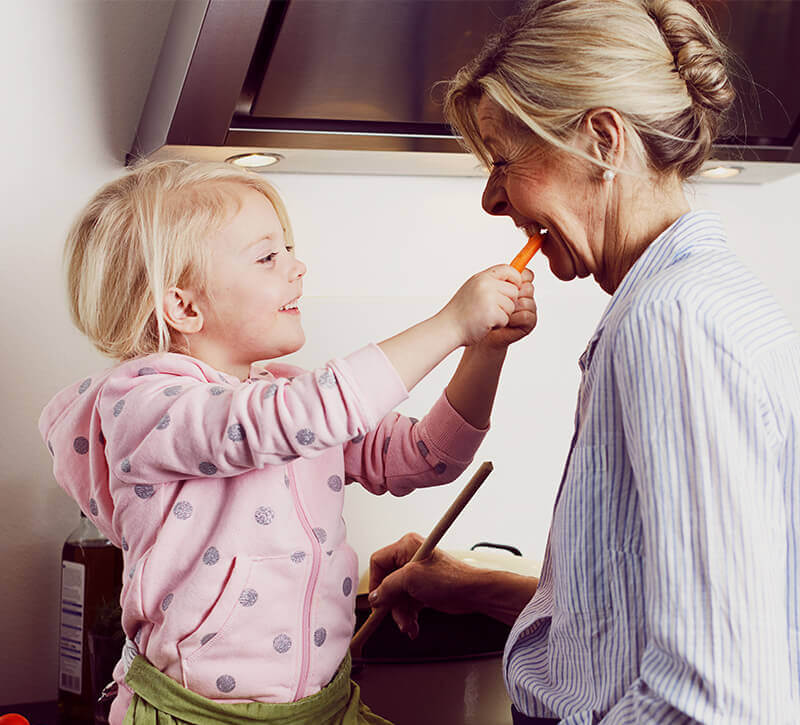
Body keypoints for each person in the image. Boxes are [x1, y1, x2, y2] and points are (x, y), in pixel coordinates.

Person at [366, 0, 800, 722]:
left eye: (503, 160)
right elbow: (642, 625)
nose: (491, 197)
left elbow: (715, 698)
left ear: (603, 141)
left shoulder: (673, 321)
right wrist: (474, 584)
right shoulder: (696, 298)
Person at [38, 159, 537, 724]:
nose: (298, 267)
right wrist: (450, 324)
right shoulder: (146, 407)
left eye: (289, 249)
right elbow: (284, 420)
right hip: (198, 717)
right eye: (268, 255)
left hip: (324, 706)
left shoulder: (292, 395)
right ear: (184, 306)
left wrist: (484, 350)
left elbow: (429, 458)